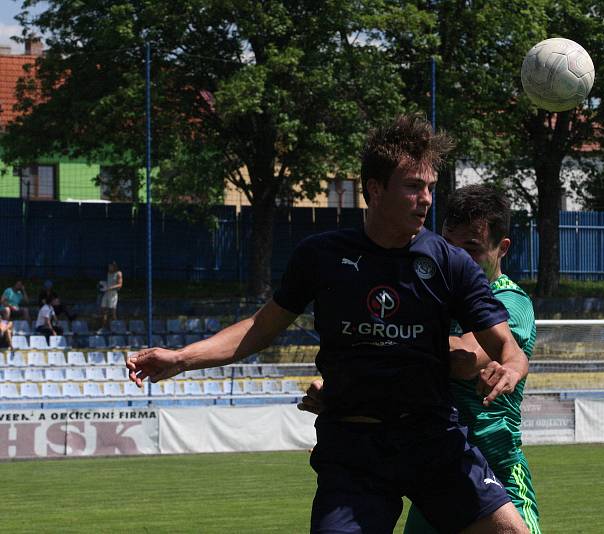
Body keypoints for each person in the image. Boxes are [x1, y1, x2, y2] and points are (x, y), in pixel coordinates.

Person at [126, 114, 530, 533]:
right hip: (354, 450)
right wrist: (181, 358)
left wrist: (511, 368)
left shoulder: (450, 263)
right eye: (412, 186)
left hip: (433, 440)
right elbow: (259, 328)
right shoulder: (320, 256)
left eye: (429, 187)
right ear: (374, 189)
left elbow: (507, 347)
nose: (426, 199)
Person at [301, 184, 542, 533]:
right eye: (448, 245)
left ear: (501, 248)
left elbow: (464, 360)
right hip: (439, 472)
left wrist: (391, 337)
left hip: (497, 473)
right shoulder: (433, 296)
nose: (456, 256)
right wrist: (348, 390)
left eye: (471, 249)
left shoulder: (510, 303)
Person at [100, 261, 123, 330]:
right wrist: (102, 284)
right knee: (103, 310)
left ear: (114, 267)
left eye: (111, 266)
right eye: (109, 266)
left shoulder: (118, 273)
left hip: (113, 294)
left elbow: (120, 285)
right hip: (106, 293)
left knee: (112, 312)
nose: (109, 267)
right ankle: (103, 327)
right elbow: (107, 282)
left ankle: (116, 328)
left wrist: (110, 288)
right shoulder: (108, 273)